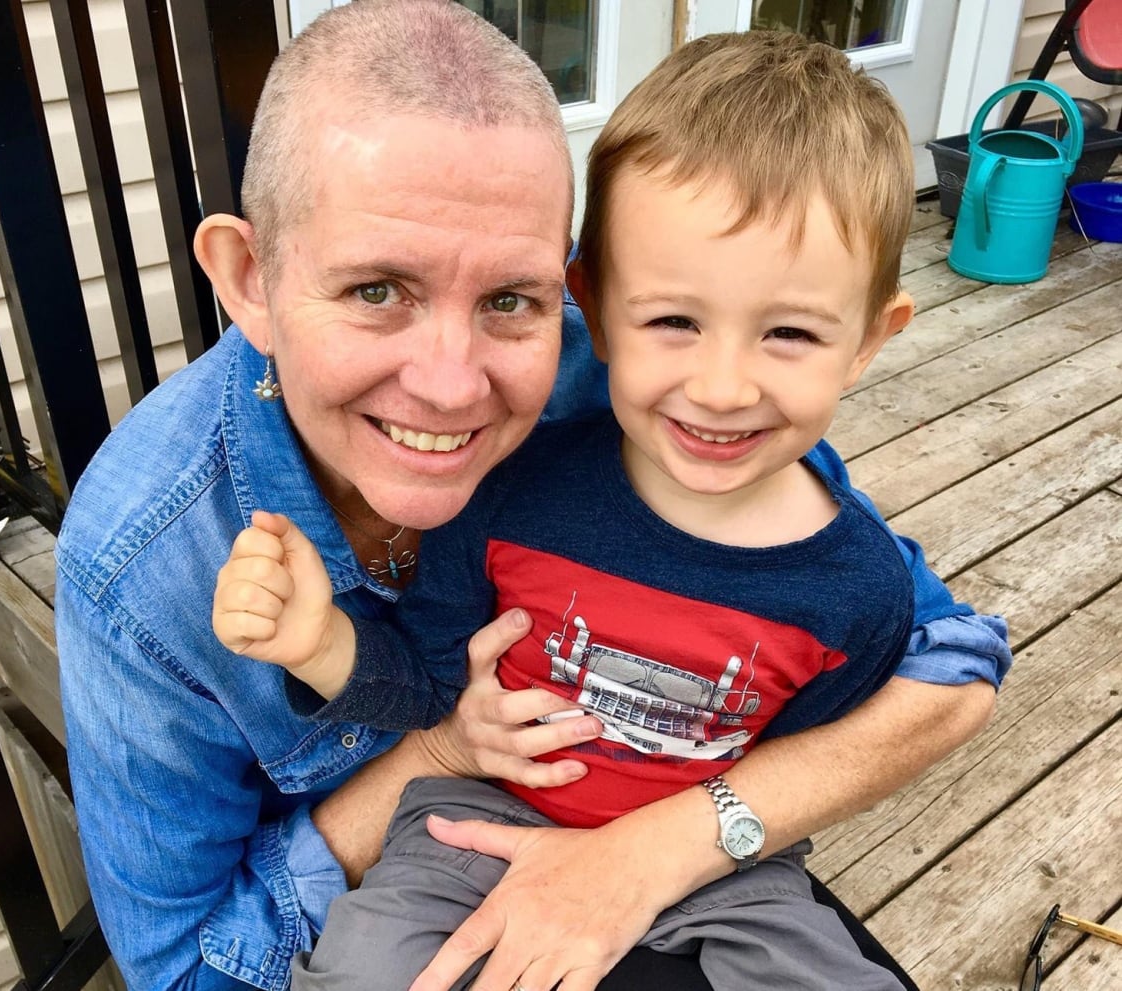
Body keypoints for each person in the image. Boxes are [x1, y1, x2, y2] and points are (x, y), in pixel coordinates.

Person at [55, 3, 1009, 990]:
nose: (450, 381)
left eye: (510, 298)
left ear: (569, 292)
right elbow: (185, 970)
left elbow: (943, 654)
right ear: (249, 278)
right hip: (409, 895)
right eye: (379, 289)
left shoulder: (641, 370)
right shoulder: (145, 557)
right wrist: (437, 751)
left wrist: (666, 844)